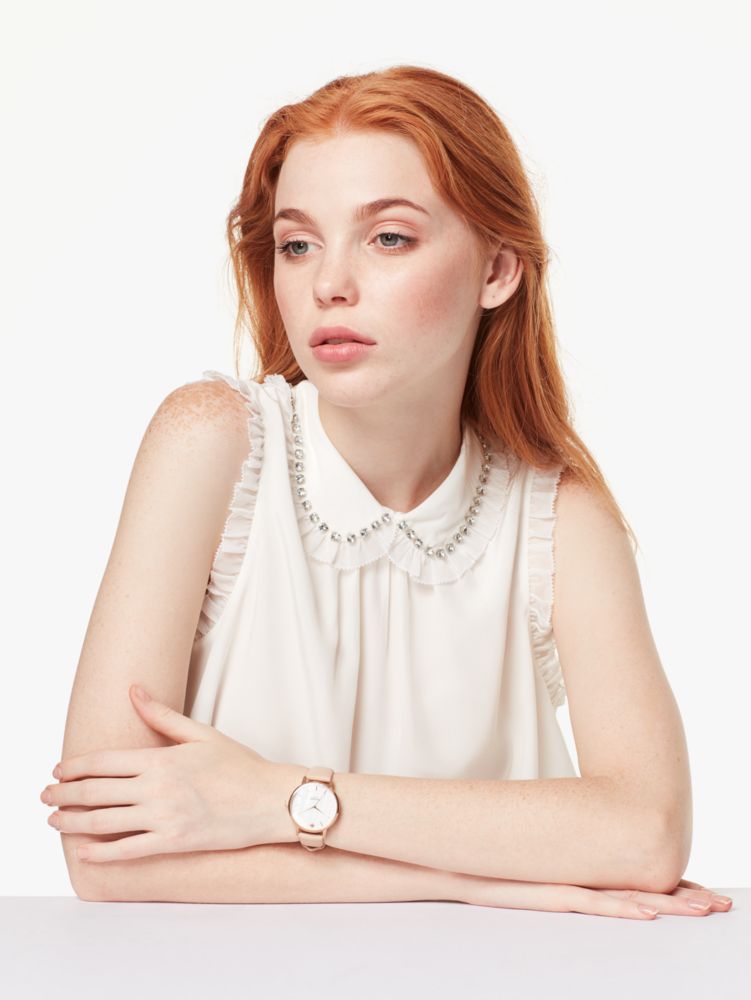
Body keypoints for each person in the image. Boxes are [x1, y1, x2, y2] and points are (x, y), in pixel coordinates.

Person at [49, 65, 731, 918]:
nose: (327, 284)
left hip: (496, 977)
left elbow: (645, 836)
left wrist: (275, 799)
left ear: (497, 270)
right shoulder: (210, 442)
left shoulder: (557, 512)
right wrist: (470, 880)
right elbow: (104, 855)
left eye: (389, 238)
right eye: (297, 245)